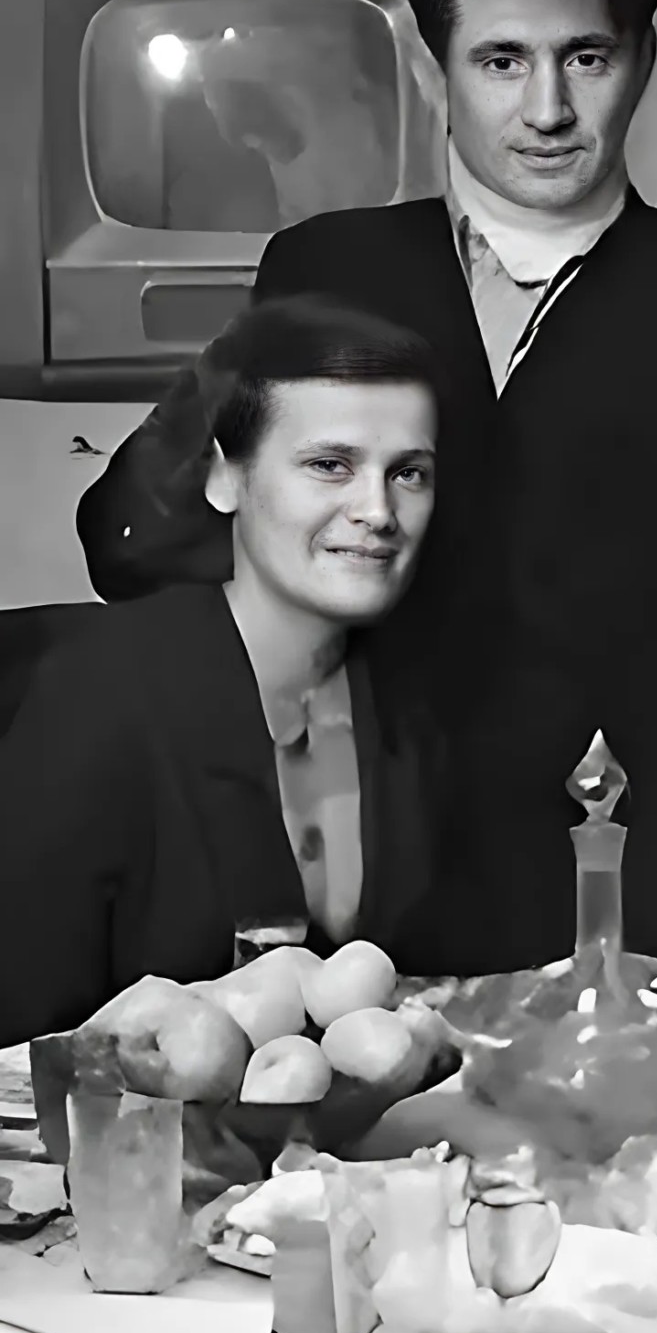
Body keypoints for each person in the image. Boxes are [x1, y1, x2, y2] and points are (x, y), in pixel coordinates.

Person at [75, 0, 657, 969]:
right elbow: (132, 541)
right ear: (434, 72)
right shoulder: (330, 266)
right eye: (501, 61)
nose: (548, 109)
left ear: (644, 59)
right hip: (368, 904)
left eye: (587, 57)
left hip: (654, 911)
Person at [0, 297, 448, 1045]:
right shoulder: (95, 698)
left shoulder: (420, 709)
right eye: (329, 465)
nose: (378, 510)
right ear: (223, 479)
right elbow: (20, 1039)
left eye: (409, 473)